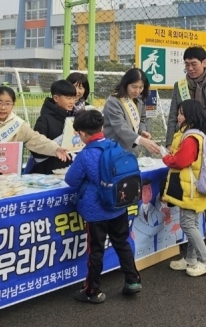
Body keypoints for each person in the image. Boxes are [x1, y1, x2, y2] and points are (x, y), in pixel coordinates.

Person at [64, 110, 141, 303]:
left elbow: (71, 180)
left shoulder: (86, 154)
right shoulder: (115, 146)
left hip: (95, 211)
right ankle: (132, 280)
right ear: (101, 128)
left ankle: (92, 290)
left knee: (96, 250)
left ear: (81, 133)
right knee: (122, 243)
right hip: (118, 205)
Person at [165, 46, 206, 248]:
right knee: (189, 187)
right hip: (186, 143)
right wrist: (169, 142)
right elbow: (173, 115)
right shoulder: (180, 86)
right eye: (187, 64)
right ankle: (191, 232)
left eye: (194, 64)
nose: (190, 68)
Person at [163, 99, 206, 277]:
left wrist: (166, 158)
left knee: (188, 224)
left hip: (190, 188)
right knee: (193, 224)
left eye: (181, 113)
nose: (178, 117)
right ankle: (191, 260)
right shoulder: (197, 134)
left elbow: (181, 161)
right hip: (196, 186)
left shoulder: (190, 137)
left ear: (190, 116)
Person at [0, 86, 70, 164]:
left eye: (8, 103)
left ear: (13, 105)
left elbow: (35, 139)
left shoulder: (18, 124)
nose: (3, 107)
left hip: (6, 174)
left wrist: (55, 149)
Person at [103, 68, 159, 156]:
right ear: (125, 84)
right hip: (115, 151)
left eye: (141, 87)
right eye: (134, 87)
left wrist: (141, 131)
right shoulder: (114, 101)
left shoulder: (139, 99)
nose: (137, 91)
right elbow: (120, 127)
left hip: (132, 152)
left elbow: (142, 119)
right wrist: (141, 140)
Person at [28, 80, 77, 175]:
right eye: (68, 98)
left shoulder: (73, 118)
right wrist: (55, 149)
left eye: (74, 98)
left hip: (67, 170)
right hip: (47, 174)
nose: (72, 102)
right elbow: (36, 149)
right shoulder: (44, 120)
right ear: (56, 98)